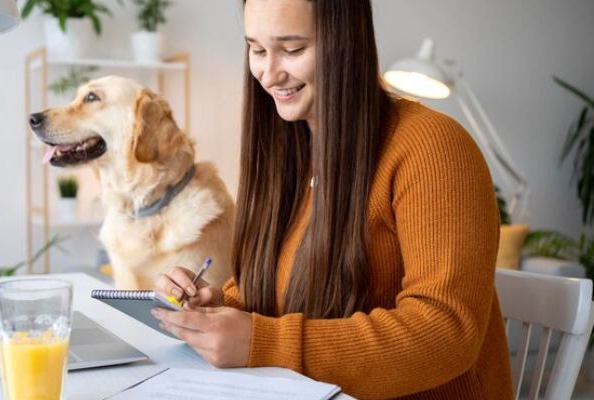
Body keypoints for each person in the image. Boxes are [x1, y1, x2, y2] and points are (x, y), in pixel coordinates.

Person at [151, 0, 514, 398]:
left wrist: (264, 341)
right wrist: (221, 305)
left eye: (292, 49)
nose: (269, 74)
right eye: (256, 49)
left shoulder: (433, 148)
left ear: (347, 43)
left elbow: (447, 330)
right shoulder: (292, 151)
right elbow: (290, 286)